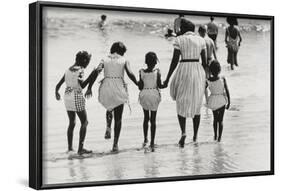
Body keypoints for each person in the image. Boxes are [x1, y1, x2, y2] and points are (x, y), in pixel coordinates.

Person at [85, 42, 139, 152]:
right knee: (118, 118)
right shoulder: (124, 60)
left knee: (109, 107)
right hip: (118, 87)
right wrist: (138, 83)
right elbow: (130, 73)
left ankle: (108, 126)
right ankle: (115, 144)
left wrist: (89, 87)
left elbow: (96, 72)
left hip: (106, 87)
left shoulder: (104, 59)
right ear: (122, 52)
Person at [163, 19, 207, 147]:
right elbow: (204, 63)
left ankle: (183, 132)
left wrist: (167, 78)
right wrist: (206, 79)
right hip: (198, 71)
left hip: (184, 68)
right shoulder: (201, 40)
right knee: (196, 103)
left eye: (180, 28)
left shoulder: (179, 40)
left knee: (181, 101)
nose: (179, 30)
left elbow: (175, 60)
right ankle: (195, 136)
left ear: (184, 29)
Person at [55, 51, 93, 155]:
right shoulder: (80, 70)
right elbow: (83, 85)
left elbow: (58, 85)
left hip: (67, 96)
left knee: (72, 122)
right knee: (85, 122)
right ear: (84, 61)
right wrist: (92, 75)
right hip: (76, 95)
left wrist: (56, 92)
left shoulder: (68, 69)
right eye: (87, 62)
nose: (87, 65)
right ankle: (81, 148)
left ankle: (70, 148)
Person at [138, 52, 165, 152]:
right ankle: (152, 141)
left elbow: (140, 87)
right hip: (154, 94)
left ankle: (145, 139)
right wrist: (165, 83)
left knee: (146, 118)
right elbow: (160, 85)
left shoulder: (141, 71)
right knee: (153, 120)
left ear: (146, 61)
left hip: (144, 94)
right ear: (155, 62)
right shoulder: (157, 72)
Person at [206, 60, 230, 142]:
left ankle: (215, 135)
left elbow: (202, 89)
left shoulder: (208, 80)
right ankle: (219, 138)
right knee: (221, 120)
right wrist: (229, 101)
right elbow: (227, 90)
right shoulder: (222, 79)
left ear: (211, 71)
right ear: (219, 70)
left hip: (213, 101)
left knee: (215, 119)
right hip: (221, 100)